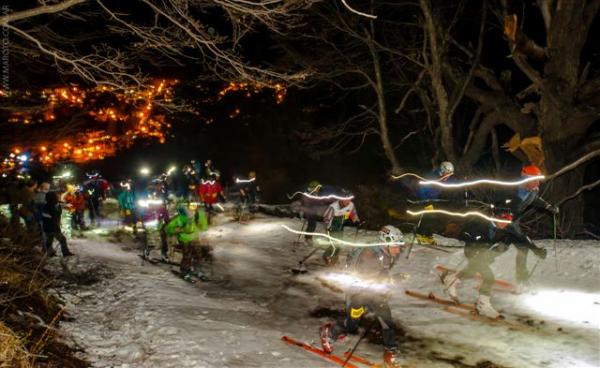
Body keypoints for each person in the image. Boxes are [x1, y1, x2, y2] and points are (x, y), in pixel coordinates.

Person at [320, 225, 404, 368]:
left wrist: (387, 281)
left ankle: (391, 351)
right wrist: (387, 282)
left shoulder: (386, 253)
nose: (398, 249)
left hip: (373, 292)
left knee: (386, 319)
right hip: (357, 292)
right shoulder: (369, 255)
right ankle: (330, 333)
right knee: (352, 323)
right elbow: (365, 279)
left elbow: (381, 273)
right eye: (396, 246)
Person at [440, 212, 518, 318]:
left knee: (471, 271)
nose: (505, 224)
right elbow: (465, 233)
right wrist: (474, 243)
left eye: (507, 222)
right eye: (503, 221)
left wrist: (491, 255)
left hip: (483, 254)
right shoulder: (482, 224)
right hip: (472, 251)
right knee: (489, 278)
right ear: (497, 218)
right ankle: (483, 306)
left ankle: (451, 278)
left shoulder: (504, 231)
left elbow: (501, 246)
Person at [508, 164, 557, 287]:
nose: (538, 184)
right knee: (494, 250)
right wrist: (536, 249)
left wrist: (548, 206)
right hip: (501, 223)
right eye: (535, 180)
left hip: (514, 221)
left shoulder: (533, 189)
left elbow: (535, 199)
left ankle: (522, 280)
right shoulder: (512, 192)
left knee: (522, 249)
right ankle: (461, 276)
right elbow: (517, 232)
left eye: (538, 180)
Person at [164, 202, 209, 280]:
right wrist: (177, 230)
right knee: (187, 256)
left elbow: (203, 227)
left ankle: (197, 270)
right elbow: (168, 229)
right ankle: (185, 271)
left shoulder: (195, 216)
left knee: (198, 255)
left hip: (194, 238)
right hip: (185, 240)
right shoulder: (179, 219)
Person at [322, 194, 360, 265]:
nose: (348, 201)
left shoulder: (351, 205)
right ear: (342, 199)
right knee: (335, 244)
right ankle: (327, 257)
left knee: (338, 244)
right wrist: (328, 227)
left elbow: (352, 213)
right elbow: (326, 218)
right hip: (332, 227)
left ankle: (333, 260)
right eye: (346, 200)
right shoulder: (333, 207)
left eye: (349, 199)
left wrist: (356, 220)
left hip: (340, 227)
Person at [41, 191, 74, 257]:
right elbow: (46, 216)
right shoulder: (47, 206)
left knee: (50, 240)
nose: (58, 196)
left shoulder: (55, 205)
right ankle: (65, 252)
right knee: (61, 239)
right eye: (56, 196)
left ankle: (51, 252)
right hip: (51, 227)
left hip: (50, 227)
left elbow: (56, 214)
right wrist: (53, 219)